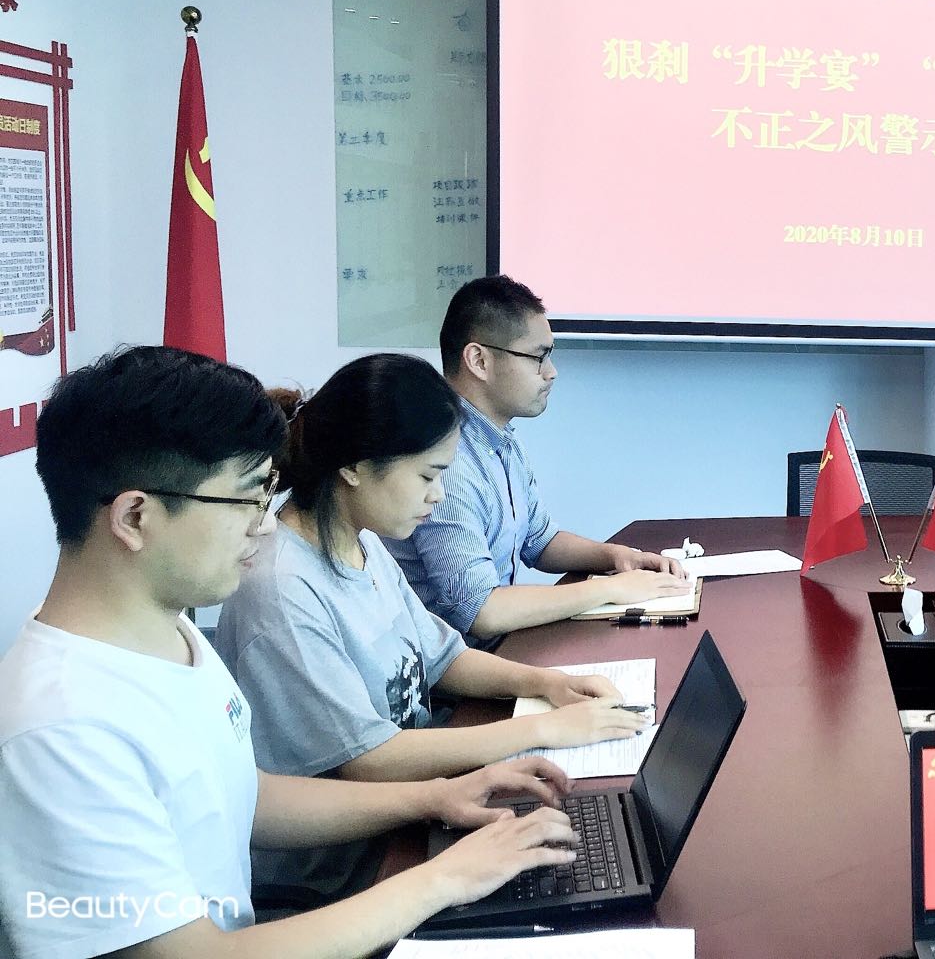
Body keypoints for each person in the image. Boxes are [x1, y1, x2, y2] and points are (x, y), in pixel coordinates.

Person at [0, 346, 582, 959]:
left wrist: (435, 796)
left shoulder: (169, 636)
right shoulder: (64, 729)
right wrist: (445, 879)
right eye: (246, 499)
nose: (264, 525)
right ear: (135, 517)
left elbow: (243, 796)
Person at [214, 353, 651, 900]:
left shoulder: (362, 542)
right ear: (354, 467)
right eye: (427, 475)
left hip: (414, 807)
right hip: (349, 868)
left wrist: (546, 683)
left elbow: (444, 657)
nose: (438, 494)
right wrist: (543, 728)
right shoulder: (283, 590)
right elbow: (368, 761)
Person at [386, 274, 687, 638]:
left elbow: (538, 541)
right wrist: (609, 589)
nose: (551, 372)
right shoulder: (447, 463)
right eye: (538, 357)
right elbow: (481, 611)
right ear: (479, 360)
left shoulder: (501, 440)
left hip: (500, 647)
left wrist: (616, 557)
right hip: (461, 667)